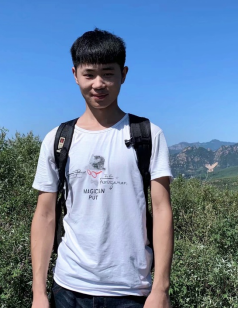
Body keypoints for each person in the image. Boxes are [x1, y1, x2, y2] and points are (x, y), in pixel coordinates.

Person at [31, 29, 174, 309]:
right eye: (89, 74)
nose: (99, 84)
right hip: (69, 288)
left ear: (124, 74)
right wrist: (38, 293)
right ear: (75, 75)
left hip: (132, 290)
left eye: (108, 73)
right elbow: (45, 214)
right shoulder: (57, 140)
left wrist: (161, 288)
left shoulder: (148, 134)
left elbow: (161, 210)